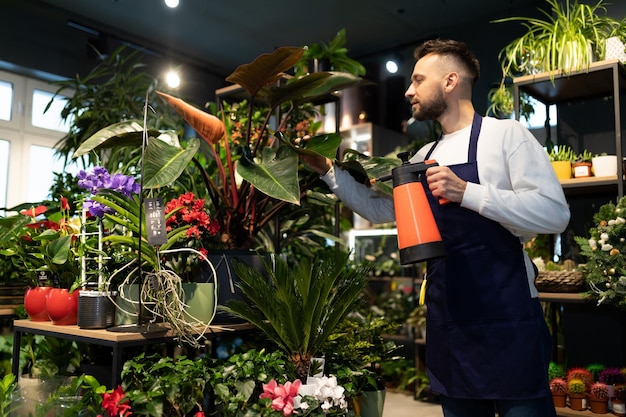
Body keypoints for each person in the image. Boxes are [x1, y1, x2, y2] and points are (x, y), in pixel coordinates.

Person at [302, 39, 570, 417]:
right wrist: (328, 172)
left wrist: (467, 192)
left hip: (508, 317)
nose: (409, 91)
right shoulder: (423, 157)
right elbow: (381, 210)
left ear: (450, 81)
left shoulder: (506, 135)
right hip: (449, 320)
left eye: (418, 79)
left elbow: (554, 214)